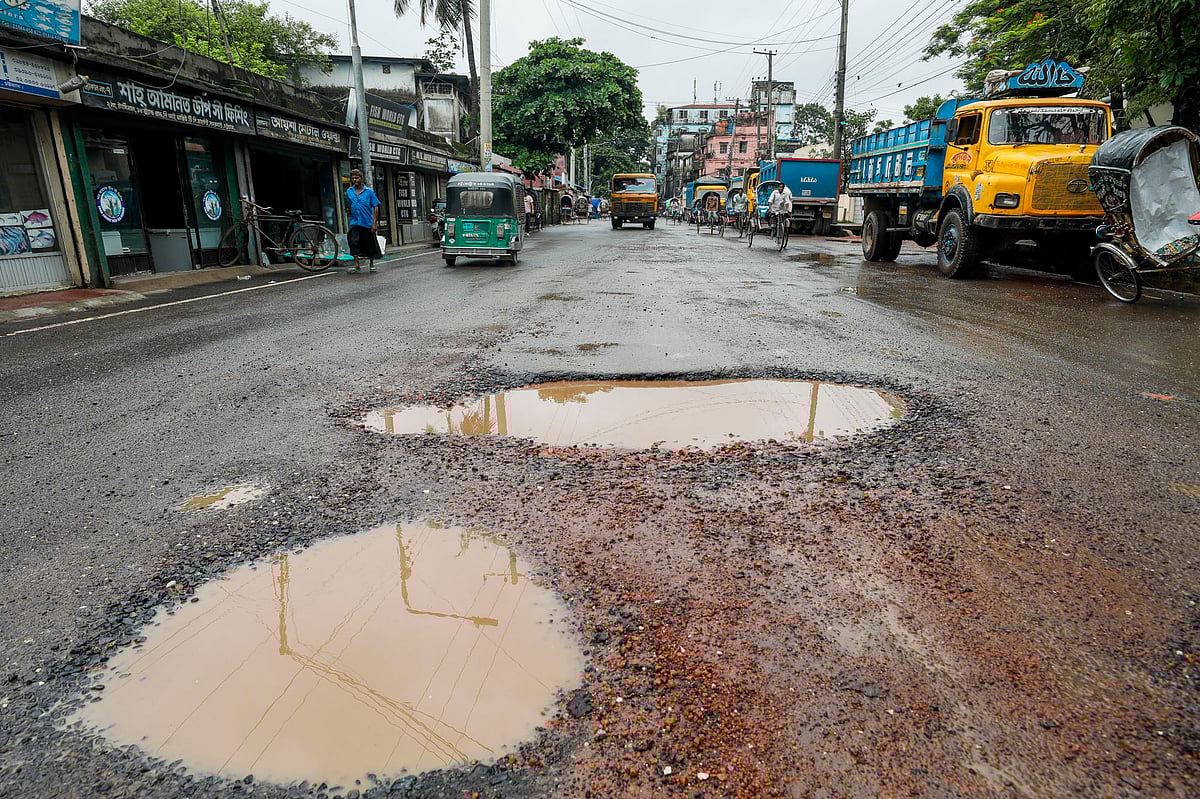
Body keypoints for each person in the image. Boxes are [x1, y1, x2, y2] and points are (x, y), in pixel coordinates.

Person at [345, 168, 381, 273]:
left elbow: (376, 207)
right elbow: (349, 204)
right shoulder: (349, 191)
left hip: (367, 222)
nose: (355, 180)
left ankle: (371, 264)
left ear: (361, 179)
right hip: (355, 221)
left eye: (357, 178)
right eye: (353, 178)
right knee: (353, 242)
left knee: (369, 243)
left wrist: (374, 224)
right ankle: (357, 265)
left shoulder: (369, 192)